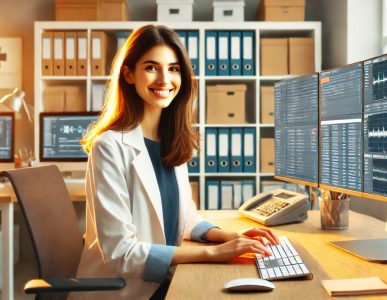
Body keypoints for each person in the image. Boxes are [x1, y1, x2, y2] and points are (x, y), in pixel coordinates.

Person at [73, 24, 279, 299]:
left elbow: (185, 217)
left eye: (173, 68)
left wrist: (227, 236)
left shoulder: (170, 140)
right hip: (127, 290)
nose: (164, 79)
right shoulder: (109, 147)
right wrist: (212, 253)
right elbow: (120, 253)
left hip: (167, 279)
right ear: (129, 74)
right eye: (151, 67)